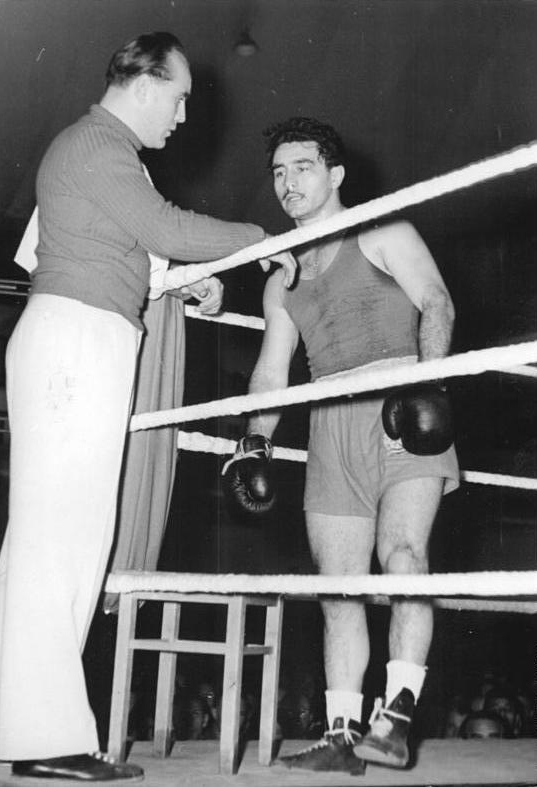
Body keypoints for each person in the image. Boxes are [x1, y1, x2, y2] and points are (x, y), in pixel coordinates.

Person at [0, 32, 295, 782]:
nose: (185, 116)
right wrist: (262, 239)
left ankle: (20, 724)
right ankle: (44, 738)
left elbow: (101, 247)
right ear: (143, 82)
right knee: (60, 540)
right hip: (77, 343)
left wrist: (169, 281)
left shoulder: (88, 148)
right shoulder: (101, 144)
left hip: (78, 333)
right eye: (180, 96)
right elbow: (163, 226)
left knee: (55, 538)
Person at [223, 117, 459, 774]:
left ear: (335, 175)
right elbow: (272, 372)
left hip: (397, 405)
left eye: (301, 167)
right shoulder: (281, 280)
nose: (287, 183)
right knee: (336, 587)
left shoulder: (383, 229)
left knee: (404, 553)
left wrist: (425, 384)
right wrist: (253, 445)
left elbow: (435, 302)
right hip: (327, 418)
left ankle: (395, 717)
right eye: (277, 172)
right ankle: (340, 732)